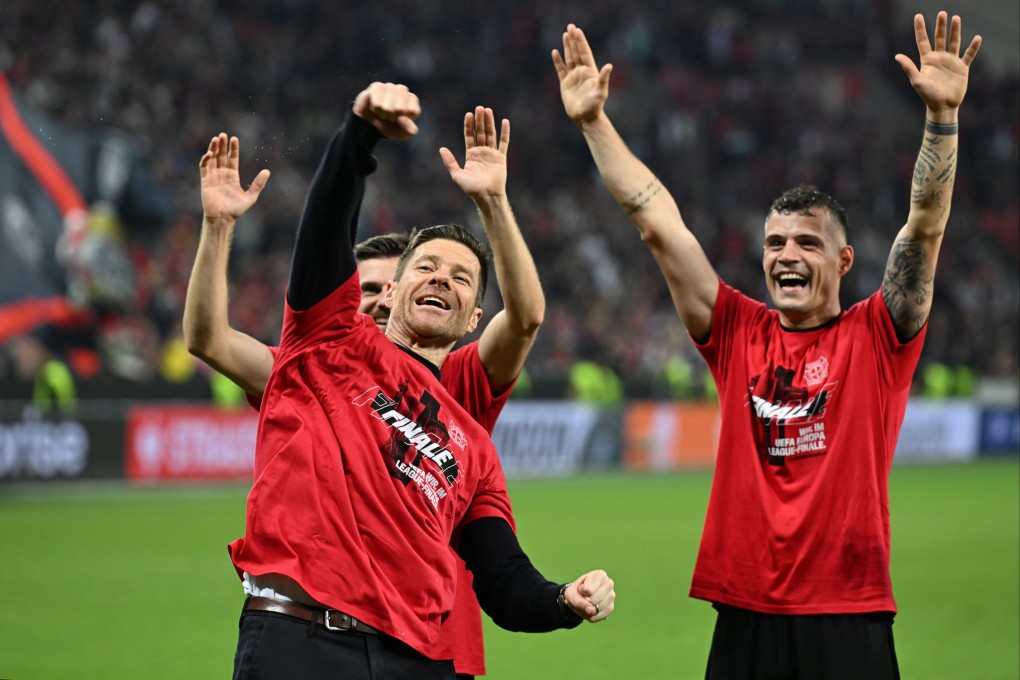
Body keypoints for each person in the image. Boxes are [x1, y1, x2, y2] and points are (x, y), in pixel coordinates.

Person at [554, 12, 980, 679]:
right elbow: (658, 224)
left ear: (842, 260)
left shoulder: (876, 335)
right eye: (775, 242)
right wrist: (593, 123)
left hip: (848, 612)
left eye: (807, 242)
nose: (787, 254)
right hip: (745, 609)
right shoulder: (735, 330)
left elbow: (924, 228)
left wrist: (942, 118)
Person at [201, 81, 615, 680]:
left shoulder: (473, 444)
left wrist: (563, 601)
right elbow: (324, 230)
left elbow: (503, 579)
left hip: (417, 660)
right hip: (302, 640)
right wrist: (359, 136)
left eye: (462, 277)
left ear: (473, 319)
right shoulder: (329, 342)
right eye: (427, 267)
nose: (442, 278)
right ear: (391, 290)